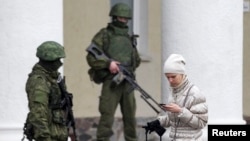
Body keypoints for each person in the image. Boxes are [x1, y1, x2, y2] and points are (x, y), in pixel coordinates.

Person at [86, 3, 141, 141]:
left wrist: (128, 67)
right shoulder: (104, 35)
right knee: (107, 116)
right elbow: (91, 56)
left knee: (130, 118)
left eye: (125, 18)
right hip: (112, 81)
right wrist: (108, 63)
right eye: (120, 18)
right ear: (114, 17)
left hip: (127, 81)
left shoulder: (129, 38)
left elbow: (136, 60)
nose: (123, 20)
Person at [148, 54, 208, 141]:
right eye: (167, 77)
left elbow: (201, 123)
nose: (170, 80)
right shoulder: (173, 92)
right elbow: (174, 119)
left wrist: (180, 110)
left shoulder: (194, 93)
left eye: (173, 77)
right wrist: (158, 122)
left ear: (182, 74)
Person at [23, 41, 72, 141]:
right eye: (57, 60)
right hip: (49, 136)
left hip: (58, 135)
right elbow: (38, 114)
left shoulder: (53, 78)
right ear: (49, 60)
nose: (60, 63)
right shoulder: (39, 82)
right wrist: (44, 138)